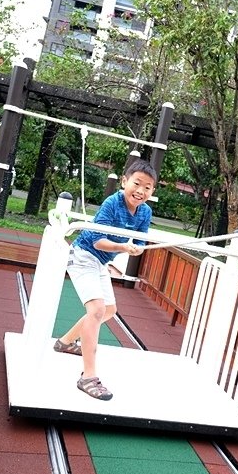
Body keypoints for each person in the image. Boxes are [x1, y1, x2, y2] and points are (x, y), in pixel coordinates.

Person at [53, 159, 157, 400]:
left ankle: (66, 342)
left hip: (100, 261)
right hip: (84, 254)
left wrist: (135, 249)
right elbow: (99, 242)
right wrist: (123, 246)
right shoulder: (112, 203)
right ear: (124, 181)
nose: (140, 191)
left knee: (109, 310)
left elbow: (139, 241)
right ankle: (88, 377)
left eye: (148, 187)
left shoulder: (145, 211)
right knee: (97, 310)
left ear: (152, 191)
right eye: (137, 183)